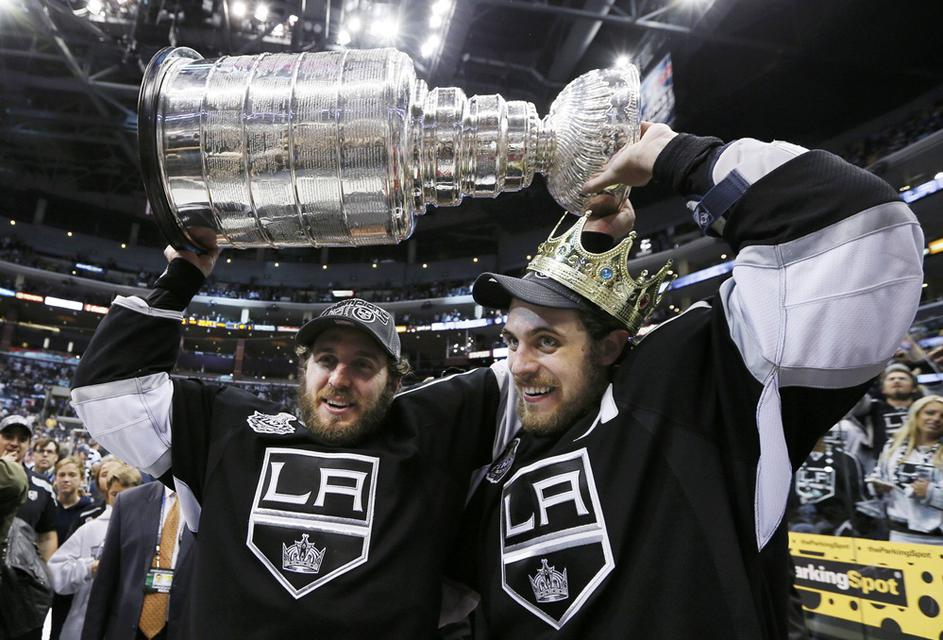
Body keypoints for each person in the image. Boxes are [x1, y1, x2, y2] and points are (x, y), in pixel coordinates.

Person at [457, 122, 924, 638]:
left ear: (611, 347)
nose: (519, 365)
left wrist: (681, 157)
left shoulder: (691, 388)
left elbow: (863, 227)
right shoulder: (503, 443)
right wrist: (587, 249)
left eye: (546, 342)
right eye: (511, 341)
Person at [70, 261, 518, 634]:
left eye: (363, 365)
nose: (339, 378)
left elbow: (533, 368)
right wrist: (184, 273)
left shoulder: (428, 434)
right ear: (304, 370)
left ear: (395, 383)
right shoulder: (231, 430)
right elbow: (107, 393)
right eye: (326, 359)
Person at [79, 478, 192, 640]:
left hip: (184, 627)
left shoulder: (210, 504)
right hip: (128, 626)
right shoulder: (130, 501)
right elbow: (106, 578)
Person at [47, 464, 142, 640]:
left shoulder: (149, 530)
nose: (122, 500)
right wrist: (89, 568)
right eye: (116, 494)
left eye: (129, 494)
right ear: (107, 494)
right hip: (86, 620)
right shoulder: (90, 528)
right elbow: (56, 571)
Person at [866, 395, 943, 544]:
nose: (936, 419)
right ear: (916, 415)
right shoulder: (893, 446)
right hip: (900, 534)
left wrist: (931, 493)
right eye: (930, 413)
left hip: (938, 539)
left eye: (942, 416)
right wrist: (877, 486)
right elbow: (878, 476)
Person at [0, 415, 58, 561]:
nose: (14, 443)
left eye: (22, 439)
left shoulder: (43, 486)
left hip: (19, 569)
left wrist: (43, 569)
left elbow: (47, 536)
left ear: (29, 444)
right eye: (8, 436)